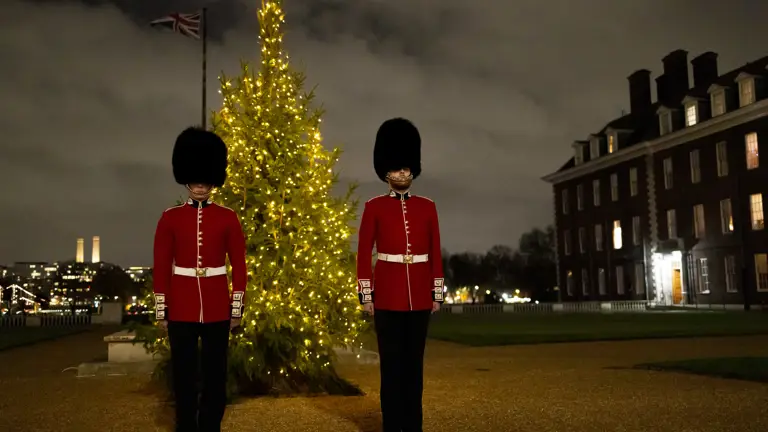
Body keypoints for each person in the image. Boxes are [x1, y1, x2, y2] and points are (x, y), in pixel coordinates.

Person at [153, 126, 247, 432]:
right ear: (185, 177)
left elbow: (240, 268)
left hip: (218, 307)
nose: (200, 185)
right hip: (181, 306)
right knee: (183, 375)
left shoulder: (228, 217)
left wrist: (236, 310)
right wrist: (161, 309)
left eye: (205, 178)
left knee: (215, 375)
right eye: (195, 178)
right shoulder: (170, 217)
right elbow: (161, 265)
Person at [356, 117, 445, 432]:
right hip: (387, 297)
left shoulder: (428, 207)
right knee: (392, 369)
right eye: (395, 167)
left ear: (413, 168)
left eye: (406, 167)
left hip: (419, 296)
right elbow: (364, 252)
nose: (402, 172)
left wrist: (436, 293)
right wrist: (367, 296)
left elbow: (435, 252)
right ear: (386, 171)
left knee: (414, 368)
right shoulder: (374, 207)